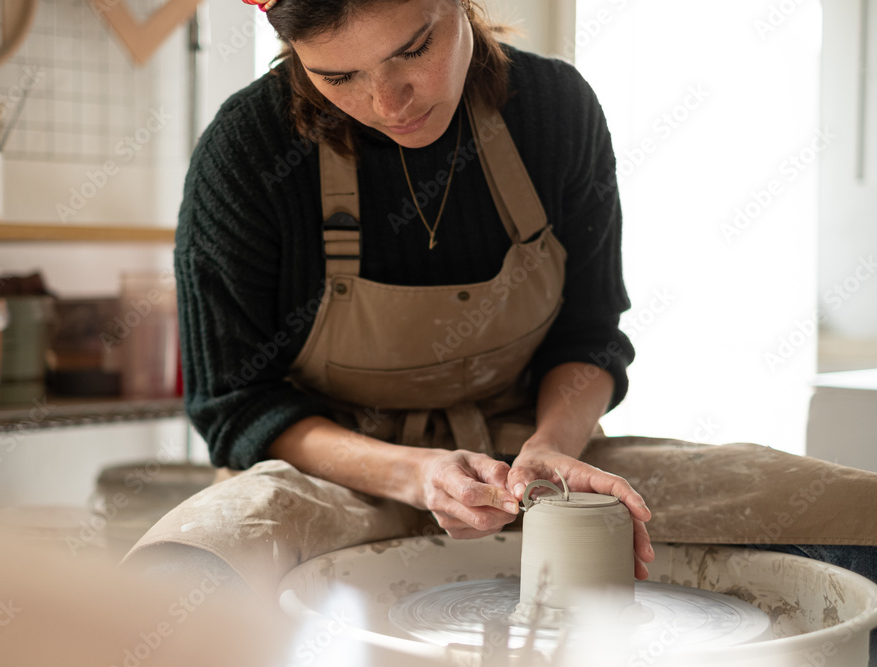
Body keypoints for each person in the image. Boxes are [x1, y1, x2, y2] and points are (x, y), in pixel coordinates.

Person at [126, 2, 877, 660]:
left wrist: (551, 448)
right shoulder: (248, 151)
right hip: (334, 474)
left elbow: (589, 337)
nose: (388, 102)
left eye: (412, 49)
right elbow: (235, 404)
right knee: (181, 576)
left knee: (854, 517)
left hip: (527, 456)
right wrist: (416, 473)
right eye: (337, 77)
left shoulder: (553, 111)